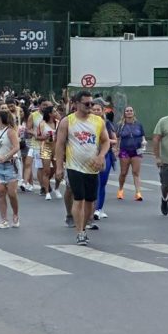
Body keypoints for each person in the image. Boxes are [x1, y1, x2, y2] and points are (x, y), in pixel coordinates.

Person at [55, 90, 109, 246]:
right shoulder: (67, 121)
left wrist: (101, 156)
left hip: (92, 167)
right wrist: (59, 167)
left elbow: (105, 141)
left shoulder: (98, 121)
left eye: (92, 104)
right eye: (86, 104)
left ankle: (83, 228)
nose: (90, 106)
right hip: (74, 166)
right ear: (76, 104)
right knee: (79, 198)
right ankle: (80, 232)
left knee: (90, 201)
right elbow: (59, 144)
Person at [0, 109, 21, 229]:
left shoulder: (10, 131)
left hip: (10, 164)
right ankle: (3, 219)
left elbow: (16, 147)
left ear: (1, 118)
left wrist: (5, 157)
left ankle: (15, 214)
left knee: (12, 193)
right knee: (1, 192)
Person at [91, 99, 116, 221]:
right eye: (94, 109)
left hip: (105, 155)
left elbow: (114, 140)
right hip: (90, 156)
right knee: (93, 183)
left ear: (102, 111)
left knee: (102, 183)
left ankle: (98, 209)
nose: (96, 111)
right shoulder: (87, 123)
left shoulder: (107, 123)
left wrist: (104, 140)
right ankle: (91, 208)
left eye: (98, 110)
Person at [116, 106, 145, 201]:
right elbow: (117, 138)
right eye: (127, 111)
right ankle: (120, 189)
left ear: (134, 112)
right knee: (124, 172)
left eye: (131, 111)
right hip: (124, 151)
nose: (129, 112)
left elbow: (142, 136)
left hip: (137, 151)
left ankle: (138, 193)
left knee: (136, 172)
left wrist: (144, 142)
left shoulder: (139, 124)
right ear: (124, 113)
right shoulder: (121, 125)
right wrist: (116, 149)